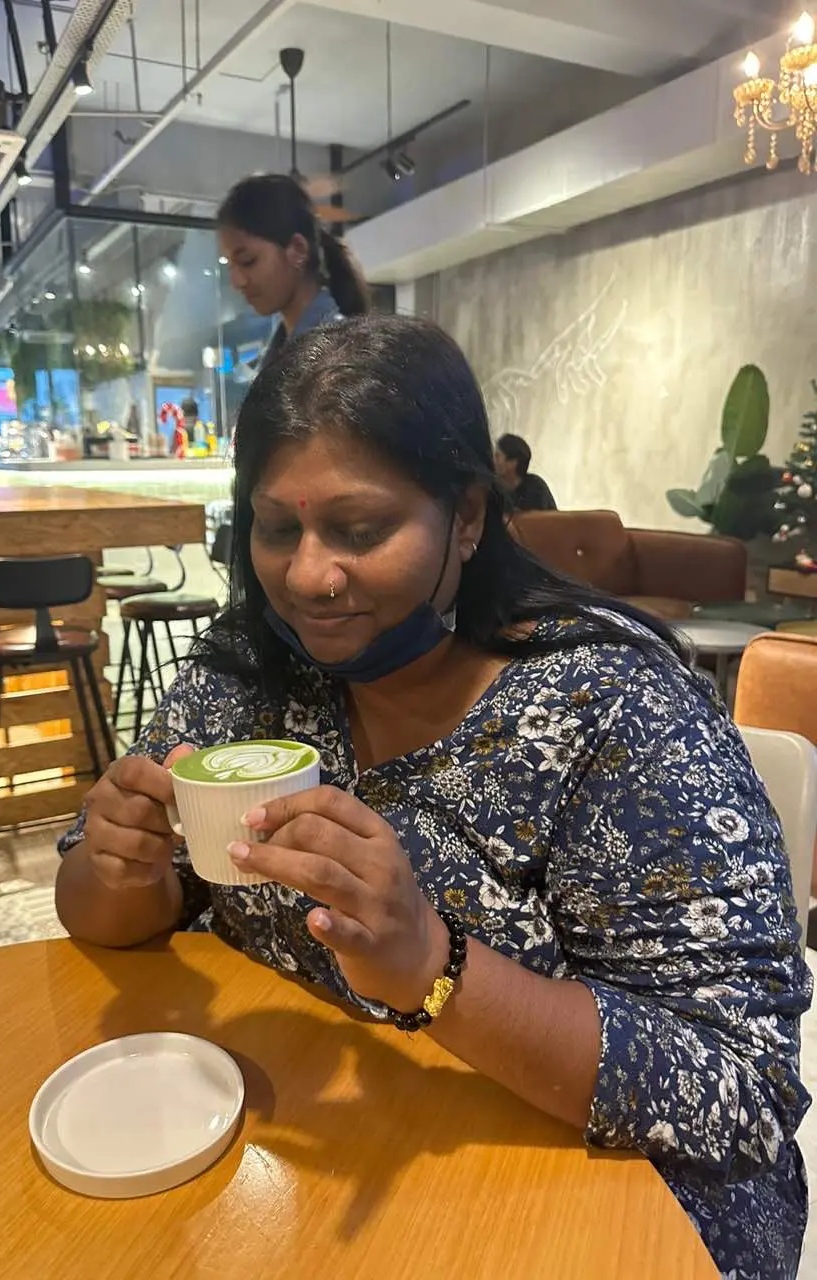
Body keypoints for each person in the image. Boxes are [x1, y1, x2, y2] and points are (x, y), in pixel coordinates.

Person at [56, 315, 810, 1280]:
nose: (308, 576)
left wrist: (433, 965)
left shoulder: (615, 708)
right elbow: (99, 912)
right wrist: (118, 867)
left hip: (611, 1198)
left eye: (360, 531)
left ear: (465, 516)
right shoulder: (245, 675)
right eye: (276, 528)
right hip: (318, 1174)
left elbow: (739, 1091)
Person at [217, 173, 369, 369]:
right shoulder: (285, 350)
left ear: (298, 250)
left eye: (248, 261)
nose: (237, 281)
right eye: (230, 265)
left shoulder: (338, 357)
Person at [494, 433, 557, 512]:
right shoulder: (492, 488)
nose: (492, 461)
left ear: (512, 463)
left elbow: (536, 521)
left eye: (497, 456)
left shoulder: (536, 488)